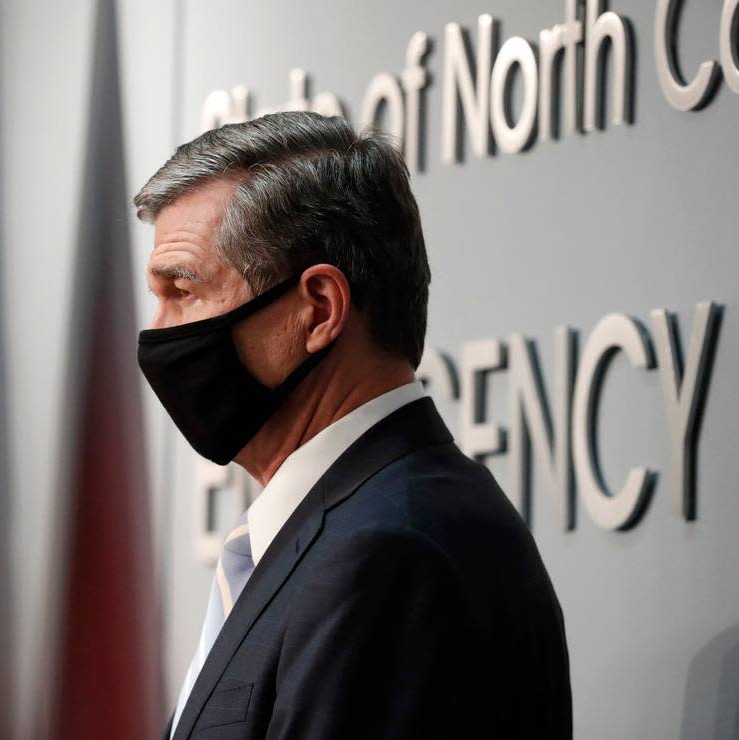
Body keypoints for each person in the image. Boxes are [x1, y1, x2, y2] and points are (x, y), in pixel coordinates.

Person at [134, 112, 571, 739]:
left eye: (183, 290)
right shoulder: (353, 527)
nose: (159, 330)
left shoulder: (387, 554)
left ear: (318, 310)